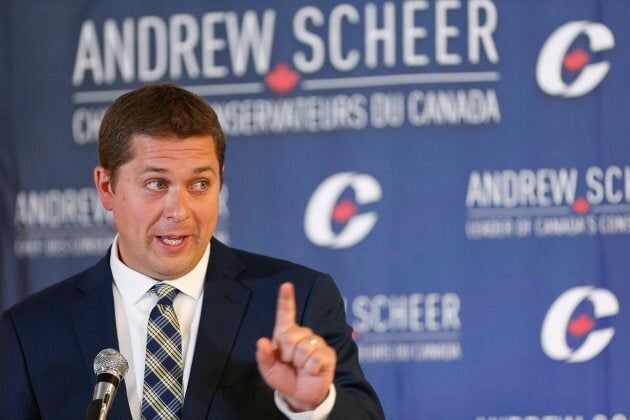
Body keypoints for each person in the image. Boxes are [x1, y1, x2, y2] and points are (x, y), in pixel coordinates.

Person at [0, 84, 384, 419]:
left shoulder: (301, 300)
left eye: (200, 183)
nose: (180, 210)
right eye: (156, 183)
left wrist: (312, 405)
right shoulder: (31, 331)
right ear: (106, 188)